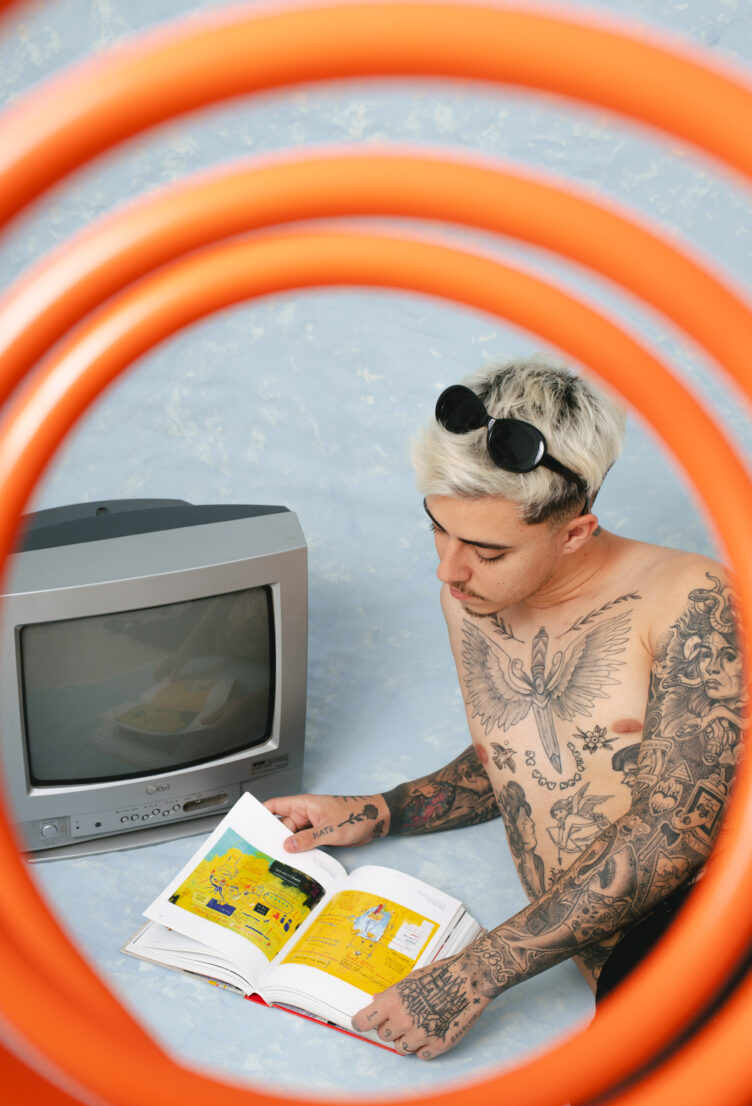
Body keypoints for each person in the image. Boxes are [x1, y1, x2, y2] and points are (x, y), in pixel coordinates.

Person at [265, 356, 746, 1060]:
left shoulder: (692, 598)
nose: (449, 569)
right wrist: (381, 809)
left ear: (575, 532)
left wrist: (474, 974)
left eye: (488, 552)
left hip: (717, 922)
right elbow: (523, 754)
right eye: (439, 529)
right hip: (626, 967)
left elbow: (673, 832)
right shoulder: (469, 600)